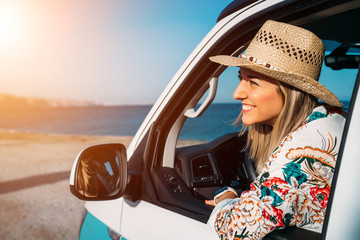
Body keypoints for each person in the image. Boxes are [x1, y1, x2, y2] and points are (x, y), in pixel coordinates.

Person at [206, 20, 345, 239]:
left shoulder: (303, 152)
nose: (237, 93)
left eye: (253, 82)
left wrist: (227, 199)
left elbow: (236, 230)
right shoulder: (330, 119)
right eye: (241, 79)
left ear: (289, 91)